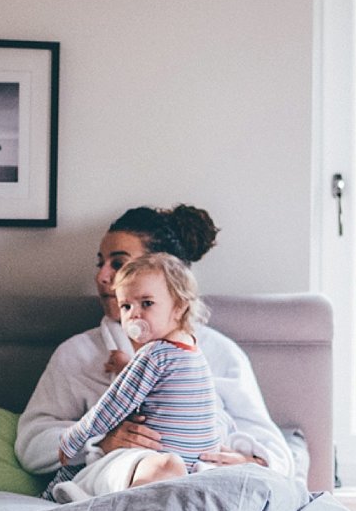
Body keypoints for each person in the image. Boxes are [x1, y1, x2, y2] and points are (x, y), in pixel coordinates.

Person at [16, 204, 299, 483]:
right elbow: (31, 446)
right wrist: (102, 441)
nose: (102, 278)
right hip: (127, 476)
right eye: (100, 263)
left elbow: (273, 446)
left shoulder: (218, 352)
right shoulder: (77, 353)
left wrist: (252, 463)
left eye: (118, 263)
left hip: (205, 477)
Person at [50, 252, 221, 499]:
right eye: (126, 306)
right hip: (172, 463)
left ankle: (122, 505)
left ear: (179, 307)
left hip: (180, 464)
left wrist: (72, 439)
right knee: (163, 467)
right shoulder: (189, 347)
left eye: (146, 303)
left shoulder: (156, 354)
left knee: (168, 467)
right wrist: (129, 367)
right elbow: (139, 392)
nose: (134, 314)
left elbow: (115, 403)